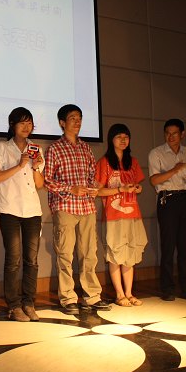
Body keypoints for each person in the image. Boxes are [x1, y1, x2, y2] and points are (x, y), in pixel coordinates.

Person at [44, 104, 111, 314]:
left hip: (87, 207)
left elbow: (91, 175)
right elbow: (47, 180)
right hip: (65, 206)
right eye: (73, 118)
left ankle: (92, 296)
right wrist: (70, 189)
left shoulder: (85, 147)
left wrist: (93, 188)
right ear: (62, 123)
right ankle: (68, 298)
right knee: (65, 254)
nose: (77, 121)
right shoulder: (55, 148)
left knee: (89, 253)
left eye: (80, 118)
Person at [0, 107, 44, 322]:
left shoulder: (36, 149)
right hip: (9, 209)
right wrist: (20, 164)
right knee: (13, 259)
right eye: (22, 122)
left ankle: (29, 303)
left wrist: (35, 167)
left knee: (32, 260)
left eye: (29, 122)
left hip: (32, 210)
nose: (26, 126)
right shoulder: (2, 147)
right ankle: (14, 306)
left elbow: (39, 184)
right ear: (12, 125)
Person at [148, 118, 186, 301]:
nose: (170, 136)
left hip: (185, 199)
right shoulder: (156, 153)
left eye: (175, 133)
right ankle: (167, 288)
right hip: (167, 200)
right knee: (168, 246)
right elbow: (154, 180)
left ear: (182, 134)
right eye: (167, 133)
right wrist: (175, 170)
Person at [96, 123, 147, 307]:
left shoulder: (132, 162)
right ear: (111, 139)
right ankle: (119, 294)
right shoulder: (104, 162)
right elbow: (98, 191)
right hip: (113, 215)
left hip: (133, 214)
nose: (123, 140)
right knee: (115, 255)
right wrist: (119, 189)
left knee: (130, 255)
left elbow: (138, 185)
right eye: (119, 136)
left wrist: (137, 188)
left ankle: (129, 293)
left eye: (126, 136)